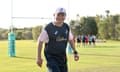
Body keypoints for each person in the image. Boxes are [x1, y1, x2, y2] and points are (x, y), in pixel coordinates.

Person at [36, 7, 79, 72]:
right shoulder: (48, 28)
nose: (60, 17)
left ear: (65, 16)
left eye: (62, 15)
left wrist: (75, 52)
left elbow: (70, 40)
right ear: (54, 15)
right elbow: (40, 41)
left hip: (62, 57)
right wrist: (39, 57)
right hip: (51, 57)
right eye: (58, 15)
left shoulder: (66, 27)